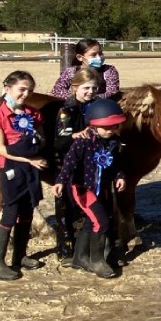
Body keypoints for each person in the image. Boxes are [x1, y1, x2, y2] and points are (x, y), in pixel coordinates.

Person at [52, 98, 127, 279]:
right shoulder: (83, 142)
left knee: (91, 221)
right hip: (84, 189)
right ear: (93, 125)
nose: (110, 130)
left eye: (114, 126)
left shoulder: (113, 142)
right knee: (101, 222)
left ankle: (79, 257)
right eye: (106, 127)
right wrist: (61, 181)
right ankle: (97, 260)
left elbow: (115, 164)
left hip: (102, 189)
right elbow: (69, 163)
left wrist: (120, 176)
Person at [0, 71, 47, 280]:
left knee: (28, 212)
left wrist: (38, 140)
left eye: (29, 90)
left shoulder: (33, 113)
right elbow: (0, 149)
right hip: (12, 169)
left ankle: (20, 256)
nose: (25, 94)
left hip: (31, 169)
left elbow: (42, 139)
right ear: (7, 88)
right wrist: (29, 159)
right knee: (10, 215)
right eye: (21, 89)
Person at [52, 67, 99, 266]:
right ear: (75, 87)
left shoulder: (97, 106)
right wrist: (74, 136)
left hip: (89, 163)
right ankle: (64, 249)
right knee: (66, 207)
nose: (90, 92)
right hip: (67, 164)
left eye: (94, 88)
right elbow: (59, 140)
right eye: (86, 88)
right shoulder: (67, 109)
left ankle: (85, 246)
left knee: (86, 204)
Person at [51, 38, 120, 99]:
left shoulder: (109, 70)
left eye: (100, 53)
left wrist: (91, 98)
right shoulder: (70, 71)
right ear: (80, 57)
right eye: (93, 55)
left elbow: (112, 92)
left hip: (101, 107)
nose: (99, 57)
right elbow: (57, 91)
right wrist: (78, 98)